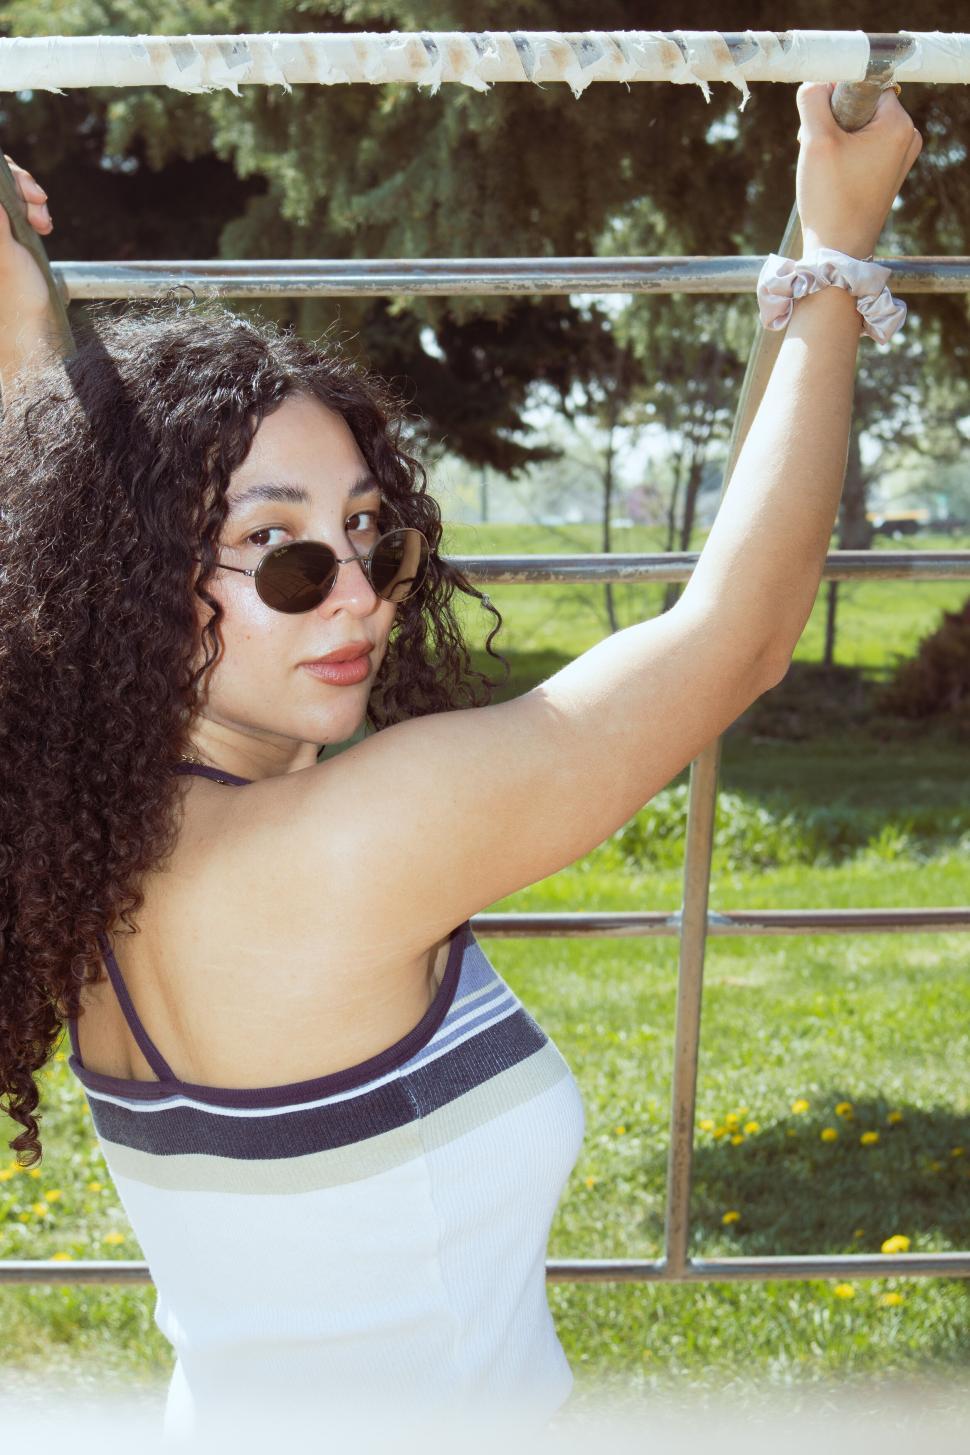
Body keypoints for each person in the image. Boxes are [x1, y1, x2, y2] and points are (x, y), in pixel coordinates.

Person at [0, 82, 920, 1441]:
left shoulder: (82, 821)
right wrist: (837, 245)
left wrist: (27, 315)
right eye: (289, 556)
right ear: (128, 579)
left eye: (369, 535)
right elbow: (737, 640)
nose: (358, 596)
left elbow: (52, 523)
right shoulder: (351, 842)